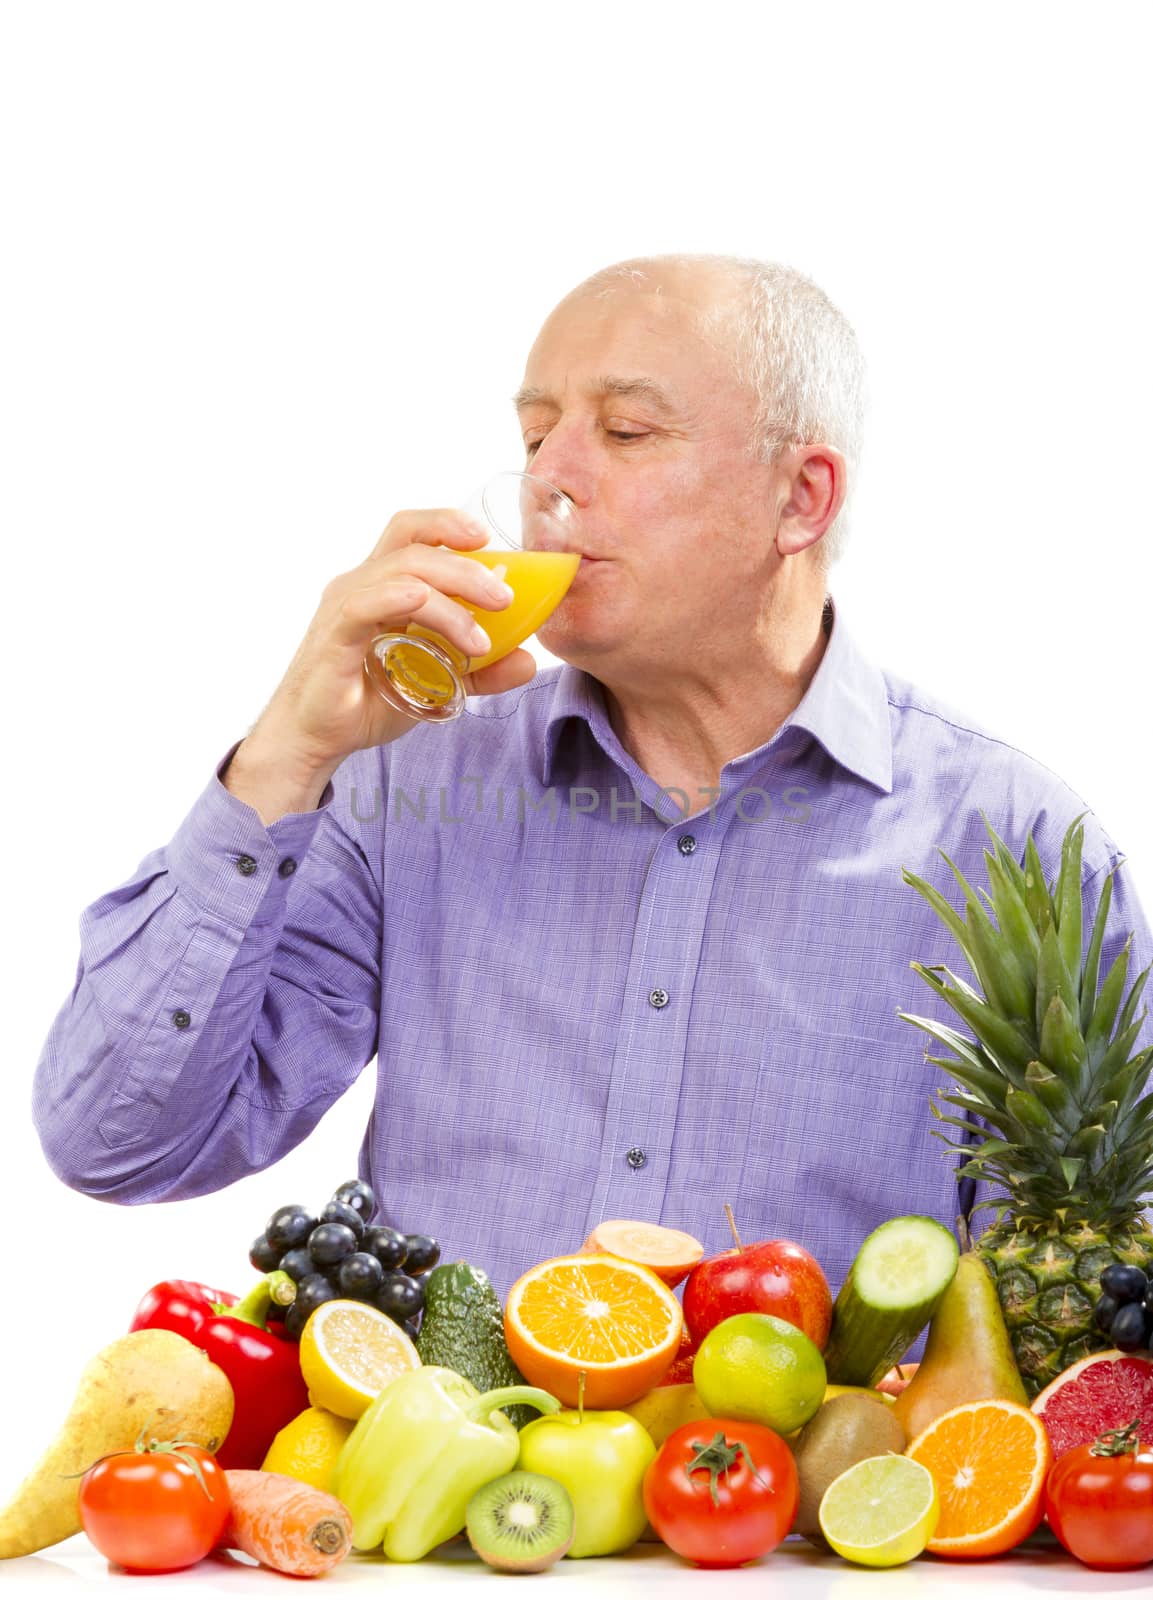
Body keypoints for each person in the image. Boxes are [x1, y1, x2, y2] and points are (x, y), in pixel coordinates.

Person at [32, 253, 1152, 1299]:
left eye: (624, 430)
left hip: (804, 1512)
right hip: (434, 1503)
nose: (548, 481)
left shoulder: (1011, 845)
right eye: (533, 436)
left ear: (800, 499)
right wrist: (285, 753)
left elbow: (1073, 1313)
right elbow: (119, 1145)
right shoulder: (404, 782)